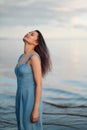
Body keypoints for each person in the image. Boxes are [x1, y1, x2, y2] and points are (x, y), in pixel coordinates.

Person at [14, 30, 52, 130]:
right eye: (28, 32)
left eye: (32, 34)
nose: (28, 34)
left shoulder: (34, 58)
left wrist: (35, 110)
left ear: (36, 42)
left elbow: (39, 84)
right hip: (20, 97)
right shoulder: (21, 57)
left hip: (30, 99)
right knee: (21, 126)